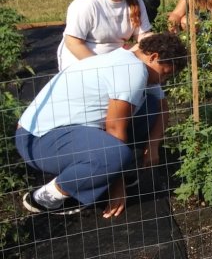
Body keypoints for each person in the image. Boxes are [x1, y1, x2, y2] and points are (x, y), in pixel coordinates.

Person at [18, 33, 187, 218]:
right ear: (154, 57)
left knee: (150, 107)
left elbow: (162, 107)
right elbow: (115, 129)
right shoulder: (132, 71)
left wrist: (153, 144)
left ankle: (97, 173)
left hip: (59, 133)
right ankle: (45, 198)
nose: (161, 81)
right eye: (164, 73)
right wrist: (117, 184)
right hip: (38, 139)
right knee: (115, 155)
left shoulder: (131, 61)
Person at [58, 0, 151, 71]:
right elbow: (73, 43)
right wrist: (101, 67)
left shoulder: (136, 1)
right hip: (83, 63)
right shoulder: (86, 3)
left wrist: (155, 43)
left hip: (115, 59)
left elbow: (142, 35)